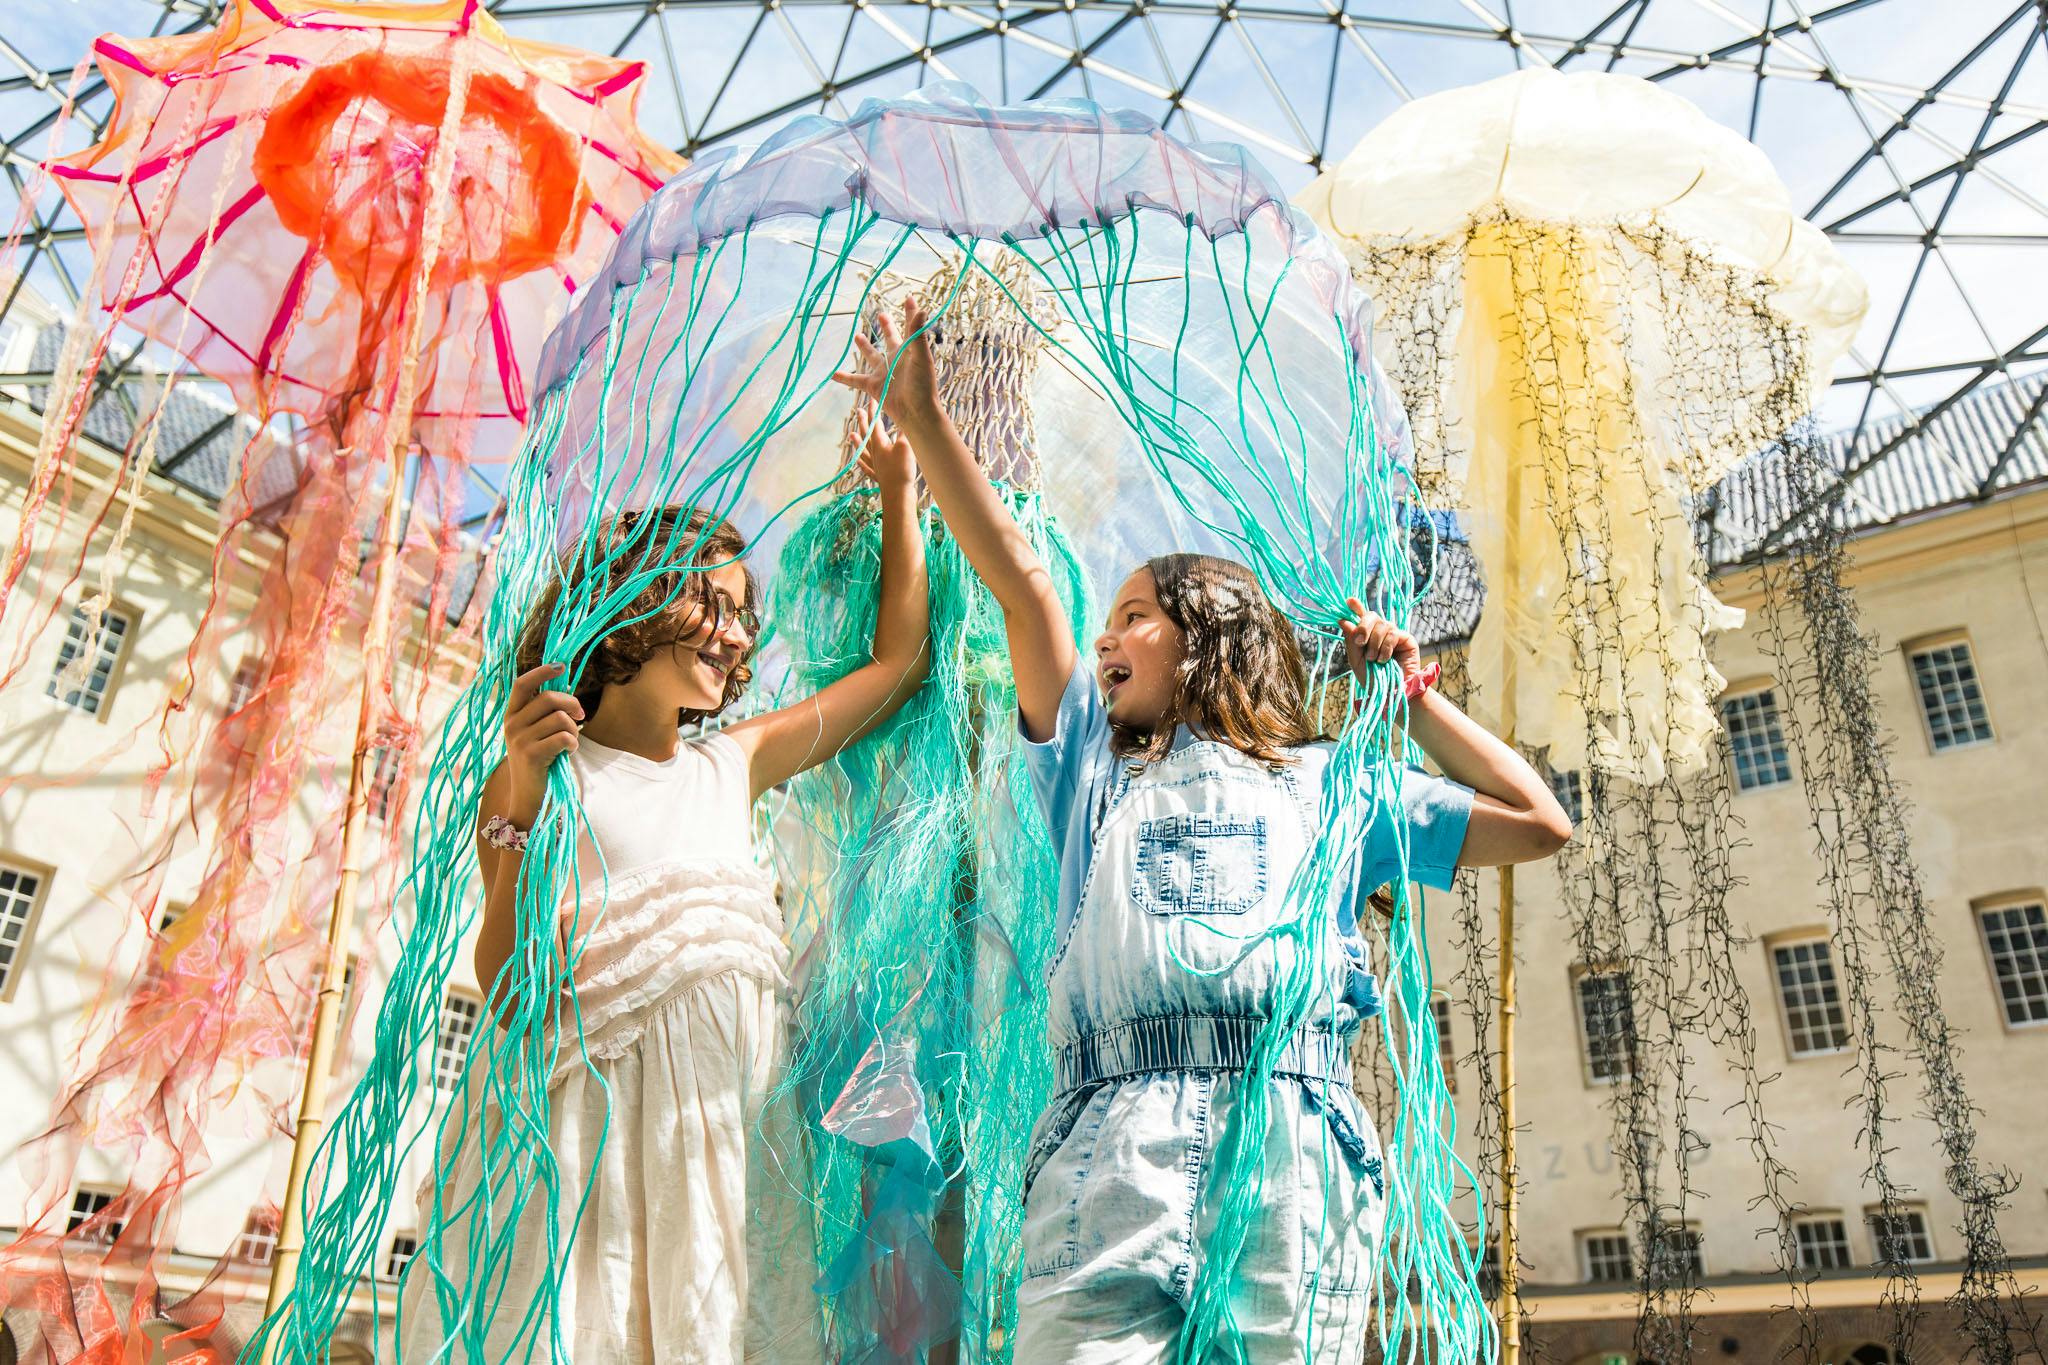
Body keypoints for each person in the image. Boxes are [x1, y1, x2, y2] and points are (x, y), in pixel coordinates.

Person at [834, 300, 1572, 1364]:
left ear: (1210, 637)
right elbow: (1025, 586)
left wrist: (1411, 696)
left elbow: (1538, 822)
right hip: (1107, 1152)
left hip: (1291, 1160)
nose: (1104, 634)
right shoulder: (1086, 766)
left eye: (1135, 613)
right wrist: (927, 423)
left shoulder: (1338, 787)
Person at [399, 410, 930, 1363]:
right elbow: (509, 978)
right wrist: (519, 783)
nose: (734, 636)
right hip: (592, 1146)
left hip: (726, 1146)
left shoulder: (735, 762)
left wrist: (899, 495)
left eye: (740, 614)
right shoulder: (551, 776)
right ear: (633, 605)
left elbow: (894, 670)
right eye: (710, 607)